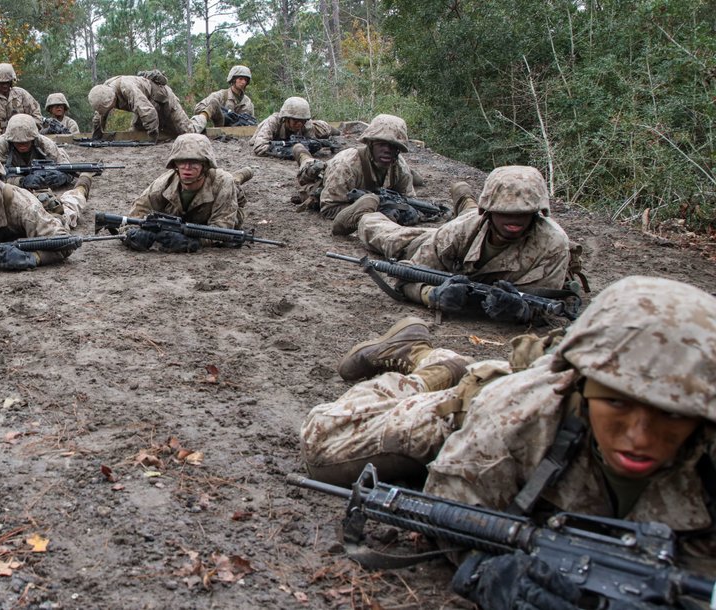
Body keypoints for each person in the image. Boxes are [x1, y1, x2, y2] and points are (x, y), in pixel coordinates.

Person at [299, 275, 716, 607]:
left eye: (673, 412)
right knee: (323, 446)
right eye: (618, 404)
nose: (640, 436)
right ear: (579, 385)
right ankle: (428, 363)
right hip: (481, 399)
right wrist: (490, 570)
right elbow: (454, 510)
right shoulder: (518, 413)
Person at [356, 165, 572, 324]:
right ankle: (364, 214)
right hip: (452, 233)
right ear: (488, 210)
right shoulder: (456, 233)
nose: (515, 218)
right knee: (392, 239)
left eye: (524, 212)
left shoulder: (553, 244)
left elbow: (548, 307)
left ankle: (465, 198)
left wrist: (520, 311)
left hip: (471, 223)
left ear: (538, 212)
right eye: (505, 210)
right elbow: (405, 277)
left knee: (467, 216)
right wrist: (433, 295)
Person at [0, 147, 81, 272]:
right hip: (27, 217)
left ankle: (84, 181)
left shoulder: (24, 206)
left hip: (47, 214)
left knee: (71, 204)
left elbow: (65, 244)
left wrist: (34, 257)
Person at [121, 133, 252, 253]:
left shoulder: (223, 184)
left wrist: (194, 242)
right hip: (181, 218)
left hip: (215, 212)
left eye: (194, 162)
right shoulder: (163, 184)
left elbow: (223, 229)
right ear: (175, 165)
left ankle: (239, 177)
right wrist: (133, 234)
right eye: (182, 161)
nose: (187, 168)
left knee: (232, 188)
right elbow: (135, 215)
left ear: (205, 165)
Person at [315, 113, 416, 232]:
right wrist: (377, 211)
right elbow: (328, 209)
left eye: (393, 146)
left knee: (417, 180)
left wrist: (402, 211)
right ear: (370, 143)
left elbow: (408, 201)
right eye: (381, 144)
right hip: (324, 178)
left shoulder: (400, 168)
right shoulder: (346, 165)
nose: (387, 150)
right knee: (309, 165)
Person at [0, 114, 89, 229]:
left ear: (33, 138)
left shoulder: (46, 145)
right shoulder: (1, 146)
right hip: (8, 169)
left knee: (62, 154)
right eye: (18, 142)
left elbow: (68, 168)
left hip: (43, 171)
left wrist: (62, 176)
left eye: (26, 141)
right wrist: (21, 181)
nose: (22, 145)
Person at [87, 71, 200, 141]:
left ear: (113, 99)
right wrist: (97, 135)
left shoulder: (127, 88)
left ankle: (203, 115)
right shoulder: (103, 93)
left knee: (189, 133)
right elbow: (99, 116)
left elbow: (148, 112)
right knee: (136, 133)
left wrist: (152, 138)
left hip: (164, 100)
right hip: (147, 106)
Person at [249, 97, 336, 158]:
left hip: (317, 127)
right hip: (275, 141)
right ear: (286, 118)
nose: (299, 124)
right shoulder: (273, 122)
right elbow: (259, 147)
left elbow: (310, 142)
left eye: (302, 121)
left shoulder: (306, 124)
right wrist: (287, 151)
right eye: (295, 120)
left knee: (324, 129)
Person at [190, 65, 256, 131]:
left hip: (242, 135)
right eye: (240, 79)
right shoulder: (221, 95)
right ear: (233, 79)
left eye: (245, 80)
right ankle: (194, 128)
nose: (243, 82)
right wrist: (221, 115)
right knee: (214, 103)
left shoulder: (247, 103)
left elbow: (253, 123)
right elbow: (198, 108)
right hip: (220, 132)